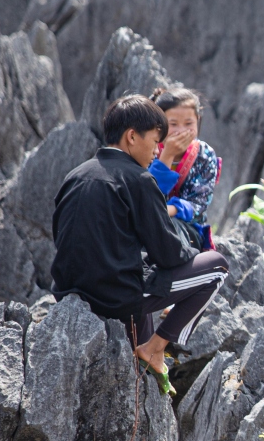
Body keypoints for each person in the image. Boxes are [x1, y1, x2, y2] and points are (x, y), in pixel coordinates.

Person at [51, 95, 229, 396]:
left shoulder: (75, 176)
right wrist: (191, 252)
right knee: (217, 267)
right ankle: (157, 348)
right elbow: (170, 254)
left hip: (69, 293)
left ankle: (144, 364)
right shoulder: (139, 179)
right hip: (113, 297)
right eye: (155, 141)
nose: (157, 150)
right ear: (132, 137)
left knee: (145, 276)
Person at [145, 87, 221, 250]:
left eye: (188, 123)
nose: (181, 130)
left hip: (186, 230)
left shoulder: (205, 155)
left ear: (198, 120)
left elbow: (198, 206)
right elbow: (145, 195)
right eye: (173, 124)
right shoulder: (147, 149)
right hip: (146, 223)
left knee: (169, 232)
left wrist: (165, 210)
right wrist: (167, 156)